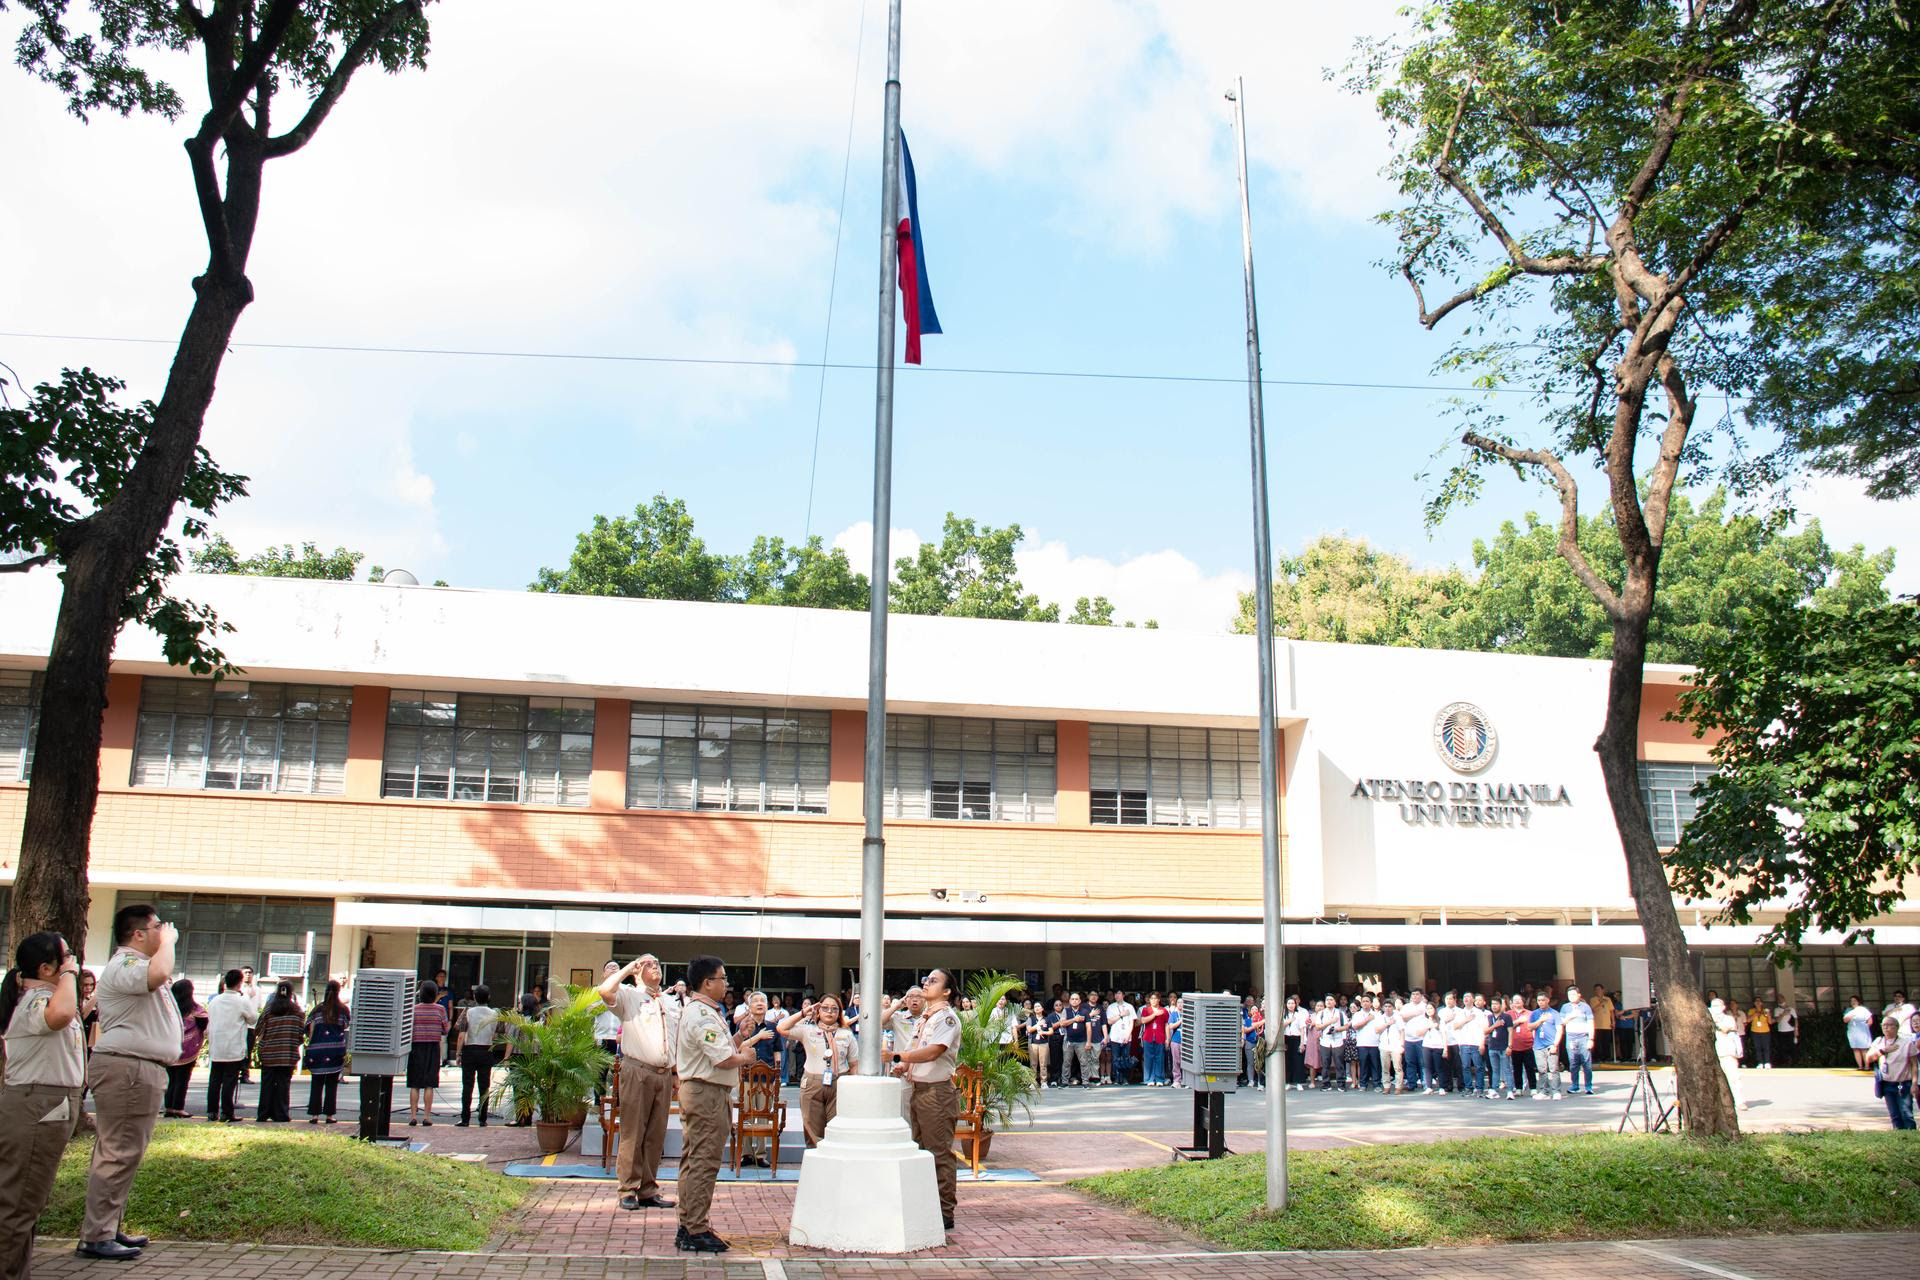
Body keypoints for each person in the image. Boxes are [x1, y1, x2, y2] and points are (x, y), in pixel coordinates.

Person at [78, 904, 181, 1261]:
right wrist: (168, 942)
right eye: (156, 928)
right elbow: (160, 972)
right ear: (138, 934)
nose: (162, 932)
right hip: (129, 1068)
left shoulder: (133, 966)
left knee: (122, 1151)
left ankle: (106, 1225)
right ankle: (97, 1234)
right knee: (119, 1151)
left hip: (138, 1068)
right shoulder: (126, 964)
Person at [0, 932, 87, 1278]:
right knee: (18, 1205)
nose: (74, 963)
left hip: (46, 1105)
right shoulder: (36, 1000)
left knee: (26, 1204)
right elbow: (62, 1014)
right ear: (47, 968)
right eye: (66, 958)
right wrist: (68, 975)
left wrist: (65, 977)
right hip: (37, 1106)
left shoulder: (44, 996)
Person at [675, 955, 767, 1254]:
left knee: (696, 1160)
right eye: (722, 978)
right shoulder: (701, 1014)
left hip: (707, 1091)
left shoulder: (707, 1011)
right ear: (707, 983)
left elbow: (718, 1048)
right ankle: (695, 1229)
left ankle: (690, 1222)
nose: (726, 983)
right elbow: (723, 1059)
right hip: (706, 1093)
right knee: (704, 1161)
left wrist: (741, 1036)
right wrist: (745, 1057)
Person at [600, 955, 678, 1209]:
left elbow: (674, 1038)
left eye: (657, 963)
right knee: (633, 1131)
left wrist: (675, 1073)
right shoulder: (630, 996)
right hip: (637, 1070)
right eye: (648, 964)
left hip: (663, 1073)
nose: (655, 966)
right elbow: (604, 990)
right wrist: (627, 969)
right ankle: (628, 1188)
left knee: (656, 1134)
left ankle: (648, 1188)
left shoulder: (669, 1000)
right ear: (637, 972)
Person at [890, 967, 962, 1233]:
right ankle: (925, 1205)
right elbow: (916, 1048)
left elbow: (933, 1052)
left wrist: (899, 1058)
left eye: (933, 981)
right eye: (925, 980)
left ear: (946, 991)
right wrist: (904, 1066)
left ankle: (944, 1212)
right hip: (919, 1090)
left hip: (936, 1093)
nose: (926, 984)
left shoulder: (946, 1018)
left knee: (939, 1153)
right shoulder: (924, 1019)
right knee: (920, 1150)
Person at [780, 993, 857, 1146]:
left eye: (834, 1009)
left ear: (839, 1012)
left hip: (838, 1083)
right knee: (812, 1128)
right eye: (825, 1008)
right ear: (818, 1011)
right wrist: (804, 1012)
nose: (830, 1012)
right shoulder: (807, 1030)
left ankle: (834, 1164)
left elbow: (854, 1064)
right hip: (812, 1083)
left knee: (837, 1129)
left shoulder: (846, 1034)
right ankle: (814, 1161)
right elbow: (781, 1028)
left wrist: (853, 1089)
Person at [204, 969, 254, 1123]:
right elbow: (252, 1019)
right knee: (229, 1081)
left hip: (216, 1046)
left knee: (214, 1081)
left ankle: (212, 1112)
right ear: (240, 983)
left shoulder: (215, 1000)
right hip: (233, 1047)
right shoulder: (242, 1000)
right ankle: (227, 1112)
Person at [453, 983, 501, 1128]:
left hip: (470, 1049)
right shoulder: (494, 1013)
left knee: (467, 1085)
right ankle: (482, 1118)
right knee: (484, 1085)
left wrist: (458, 1053)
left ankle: (465, 1118)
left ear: (474, 997)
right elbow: (498, 1033)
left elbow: (460, 1032)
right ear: (489, 997)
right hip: (486, 1050)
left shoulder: (468, 1012)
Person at [255, 982, 303, 1123]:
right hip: (287, 1054)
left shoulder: (269, 1009)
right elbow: (301, 1034)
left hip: (269, 1053)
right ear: (291, 993)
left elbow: (258, 1029)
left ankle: (263, 1114)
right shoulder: (297, 1011)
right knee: (283, 1085)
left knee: (267, 1084)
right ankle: (281, 1114)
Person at [304, 979, 350, 1123]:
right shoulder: (343, 1010)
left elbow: (309, 1030)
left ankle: (314, 1115)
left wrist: (311, 1045)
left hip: (317, 1050)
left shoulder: (317, 1009)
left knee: (316, 1083)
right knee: (331, 1084)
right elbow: (345, 1026)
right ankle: (329, 1115)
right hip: (335, 1050)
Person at [407, 980, 449, 1126]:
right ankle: (426, 1116)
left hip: (416, 1047)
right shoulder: (440, 1009)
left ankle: (413, 1116)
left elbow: (407, 1029)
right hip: (432, 1047)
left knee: (414, 1084)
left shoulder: (413, 1009)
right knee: (429, 1084)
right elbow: (446, 1029)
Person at [163, 979, 207, 1118]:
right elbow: (203, 1024)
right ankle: (178, 1108)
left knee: (171, 1080)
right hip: (188, 1050)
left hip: (170, 1047)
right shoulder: (196, 1010)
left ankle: (169, 1108)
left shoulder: (168, 1008)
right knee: (183, 1079)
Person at [1866, 1015, 1916, 1129]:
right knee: (1894, 1114)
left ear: (1896, 1027)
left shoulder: (1906, 1043)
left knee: (1906, 1114)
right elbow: (1868, 1059)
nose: (1886, 1028)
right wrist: (1883, 1051)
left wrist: (1914, 1083)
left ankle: (1911, 1135)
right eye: (1883, 1025)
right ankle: (1898, 1136)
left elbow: (1914, 1064)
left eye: (1889, 1025)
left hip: (1903, 1083)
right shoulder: (1879, 1041)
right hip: (1887, 1083)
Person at [1710, 997, 1745, 1110]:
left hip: (1728, 1052)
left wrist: (1715, 1022)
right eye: (1713, 1006)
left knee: (1734, 1077)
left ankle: (1739, 1101)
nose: (1715, 1009)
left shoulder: (1728, 1019)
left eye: (1717, 1006)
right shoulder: (1708, 1019)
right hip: (1714, 1053)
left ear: (1723, 1007)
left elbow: (1725, 1029)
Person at [1559, 985, 1595, 1095]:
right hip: (1571, 1037)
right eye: (1569, 995)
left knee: (1586, 1063)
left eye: (1574, 994)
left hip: (1583, 1037)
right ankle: (1575, 1085)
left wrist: (1591, 1038)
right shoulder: (1565, 1007)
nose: (1571, 996)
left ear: (1579, 995)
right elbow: (1561, 1022)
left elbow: (1590, 1023)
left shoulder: (1585, 1007)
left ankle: (1588, 1086)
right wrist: (1571, 1017)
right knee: (1573, 1062)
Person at [1530, 992, 1562, 1099]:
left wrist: (1555, 1045)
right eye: (1538, 1000)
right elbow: (1530, 1027)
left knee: (1553, 1069)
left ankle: (1556, 1091)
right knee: (1541, 1069)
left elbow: (1559, 1030)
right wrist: (1540, 1020)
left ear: (1548, 1000)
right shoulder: (1534, 1013)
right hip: (1538, 1045)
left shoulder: (1554, 1013)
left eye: (1543, 1000)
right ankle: (1544, 1091)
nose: (1540, 1002)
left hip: (1551, 1044)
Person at [1059, 992, 1094, 1087]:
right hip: (1068, 1040)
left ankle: (1086, 1082)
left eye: (1076, 999)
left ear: (1080, 1001)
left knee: (1084, 1062)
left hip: (1082, 1041)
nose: (1074, 1001)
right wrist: (1074, 1019)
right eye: (1072, 999)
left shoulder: (1085, 1011)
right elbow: (1062, 1023)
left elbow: (1089, 1027)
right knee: (1066, 1062)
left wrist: (1089, 1042)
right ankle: (1064, 1081)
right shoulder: (1066, 1011)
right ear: (1070, 1001)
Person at [1507, 995, 1537, 1097]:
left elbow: (1534, 1027)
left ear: (1523, 1002)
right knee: (1516, 1068)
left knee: (1530, 1068)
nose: (1517, 1002)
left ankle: (1533, 1088)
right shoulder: (1508, 1014)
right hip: (1514, 1046)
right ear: (1511, 1003)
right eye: (1514, 1000)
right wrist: (1518, 1021)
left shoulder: (1530, 1013)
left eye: (1519, 1000)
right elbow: (1507, 1026)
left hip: (1528, 1045)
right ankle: (1518, 1088)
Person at [1106, 990, 1137, 1085]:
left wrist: (1128, 1035)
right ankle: (1116, 1078)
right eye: (1116, 994)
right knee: (1115, 1058)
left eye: (1119, 993)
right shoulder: (1111, 1007)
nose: (1117, 995)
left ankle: (1125, 1078)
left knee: (1125, 1058)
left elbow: (1132, 1022)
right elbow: (1110, 1021)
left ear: (1123, 995)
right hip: (1115, 1036)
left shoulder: (1129, 1007)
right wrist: (1121, 1015)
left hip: (1126, 1036)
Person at [1139, 992, 1169, 1086]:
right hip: (1148, 1037)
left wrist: (1167, 1038)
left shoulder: (1164, 1010)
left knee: (1159, 1058)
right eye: (1151, 998)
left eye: (1155, 998)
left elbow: (1166, 1024)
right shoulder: (1145, 1009)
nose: (1153, 1000)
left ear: (1159, 1000)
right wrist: (1154, 1014)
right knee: (1148, 1058)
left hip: (1160, 1037)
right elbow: (1143, 1020)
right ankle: (1149, 1079)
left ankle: (1159, 1078)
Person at [237, 965, 259, 1085]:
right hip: (239, 1025)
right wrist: (247, 995)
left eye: (250, 972)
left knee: (248, 1050)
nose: (248, 974)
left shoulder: (257, 989)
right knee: (238, 1049)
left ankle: (245, 1074)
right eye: (245, 972)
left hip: (251, 1025)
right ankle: (236, 1073)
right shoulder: (239, 989)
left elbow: (258, 1006)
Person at [1845, 997, 1876, 1070]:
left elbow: (1870, 1021)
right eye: (1851, 1001)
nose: (1853, 1002)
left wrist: (1864, 1027)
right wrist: (1851, 1017)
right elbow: (1845, 1020)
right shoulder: (1849, 1010)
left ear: (1858, 1002)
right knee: (1855, 1048)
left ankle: (1867, 1066)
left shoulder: (1863, 1009)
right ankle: (1860, 1066)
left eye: (1855, 1001)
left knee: (1863, 1049)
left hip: (1862, 1030)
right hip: (1852, 1030)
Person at [1589, 983, 1616, 1061]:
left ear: (1602, 990)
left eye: (1599, 989)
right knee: (1598, 1042)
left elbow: (1611, 1011)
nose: (1598, 991)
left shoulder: (1608, 999)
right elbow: (1592, 1009)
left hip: (1606, 1024)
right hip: (1597, 1024)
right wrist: (1600, 1002)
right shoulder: (1593, 999)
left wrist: (1613, 1021)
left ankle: (1607, 1057)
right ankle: (1599, 1057)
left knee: (1606, 1042)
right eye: (1596, 990)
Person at [1772, 998, 1798, 1068]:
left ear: (1785, 1000)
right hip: (1781, 1031)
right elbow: (1777, 1020)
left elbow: (1795, 1019)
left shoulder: (1791, 1009)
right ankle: (1785, 1061)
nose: (1781, 1002)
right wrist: (1783, 1014)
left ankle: (1794, 1062)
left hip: (1790, 1031)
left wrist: (1796, 1029)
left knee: (1792, 1046)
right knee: (1782, 1047)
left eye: (1782, 1001)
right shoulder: (1777, 1010)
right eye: (1779, 1001)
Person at [1748, 999, 1773, 1068]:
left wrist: (1769, 1015)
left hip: (1765, 1031)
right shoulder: (1751, 1011)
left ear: (1762, 1003)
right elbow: (1748, 1020)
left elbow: (1770, 1022)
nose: (1758, 1002)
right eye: (1756, 1001)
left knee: (1766, 1047)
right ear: (1754, 1003)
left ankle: (1767, 1062)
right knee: (1757, 1047)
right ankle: (1760, 1062)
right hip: (1755, 1032)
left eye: (1759, 1001)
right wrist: (1755, 1014)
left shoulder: (1765, 1010)